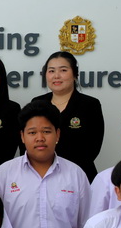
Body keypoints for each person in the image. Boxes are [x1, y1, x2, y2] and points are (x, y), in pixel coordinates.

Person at [31, 51, 103, 181]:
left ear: (75, 74)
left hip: (78, 175)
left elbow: (93, 147)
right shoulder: (37, 103)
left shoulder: (90, 104)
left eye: (63, 70)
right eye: (51, 71)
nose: (56, 76)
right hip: (41, 175)